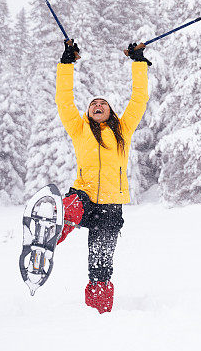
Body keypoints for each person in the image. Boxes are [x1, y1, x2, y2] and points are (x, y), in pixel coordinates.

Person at [55, 39, 151, 313]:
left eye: (103, 104)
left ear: (110, 111)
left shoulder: (123, 129)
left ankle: (99, 312)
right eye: (93, 103)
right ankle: (52, 230)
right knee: (70, 205)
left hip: (110, 205)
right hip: (84, 195)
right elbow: (64, 100)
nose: (97, 105)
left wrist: (138, 62)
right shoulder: (80, 129)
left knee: (100, 262)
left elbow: (139, 100)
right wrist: (66, 64)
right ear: (88, 112)